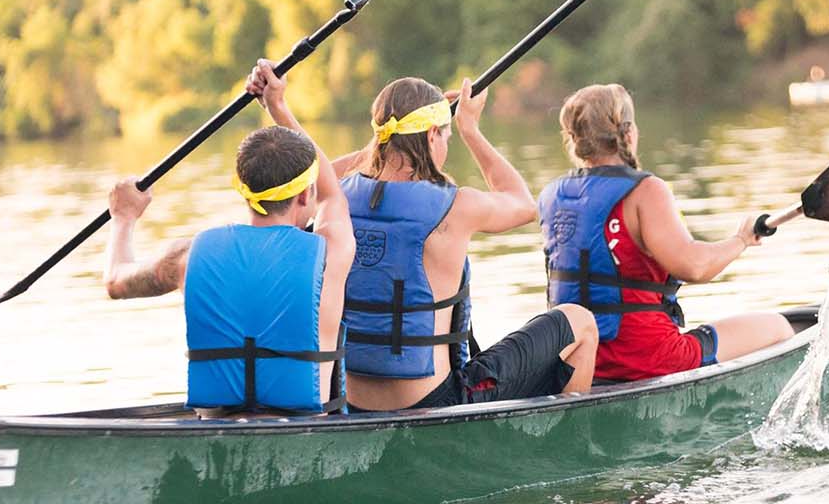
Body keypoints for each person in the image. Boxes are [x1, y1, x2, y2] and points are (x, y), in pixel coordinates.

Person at [329, 76, 598, 412]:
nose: (447, 144)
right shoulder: (457, 206)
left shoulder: (337, 196)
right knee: (580, 321)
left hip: (354, 401)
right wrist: (470, 128)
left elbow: (318, 173)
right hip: (432, 400)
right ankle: (564, 447)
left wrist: (390, 138)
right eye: (446, 137)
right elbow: (524, 204)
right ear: (431, 136)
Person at [103, 60, 355, 416]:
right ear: (304, 194)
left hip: (218, 436)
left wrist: (123, 218)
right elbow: (332, 193)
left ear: (244, 190)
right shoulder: (330, 253)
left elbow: (115, 281)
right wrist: (277, 107)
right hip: (306, 433)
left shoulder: (187, 258)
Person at [537, 83, 794, 382]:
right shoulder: (645, 191)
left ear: (575, 140)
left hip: (577, 360)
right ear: (629, 133)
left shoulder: (551, 195)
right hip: (645, 358)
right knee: (778, 328)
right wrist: (742, 239)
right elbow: (695, 266)